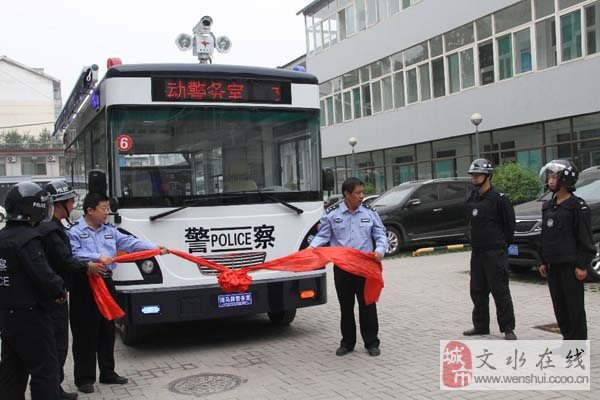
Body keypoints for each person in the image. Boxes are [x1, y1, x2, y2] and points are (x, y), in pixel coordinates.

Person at [67, 192, 168, 394]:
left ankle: (108, 372)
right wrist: (98, 256)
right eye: (104, 208)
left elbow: (130, 243)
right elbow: (73, 255)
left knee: (107, 329)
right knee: (85, 331)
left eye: (108, 208)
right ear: (90, 210)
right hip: (84, 284)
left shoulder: (109, 231)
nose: (107, 213)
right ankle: (84, 378)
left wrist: (155, 248)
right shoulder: (74, 232)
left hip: (106, 282)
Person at [38, 181, 105, 400]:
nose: (73, 204)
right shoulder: (51, 230)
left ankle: (55, 388)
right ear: (61, 203)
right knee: (57, 346)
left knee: (56, 345)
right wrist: (88, 267)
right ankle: (53, 390)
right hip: (55, 296)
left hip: (55, 292)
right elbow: (65, 260)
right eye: (70, 201)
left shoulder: (51, 227)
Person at [0, 182, 66, 399]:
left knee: (12, 369)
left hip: (6, 313)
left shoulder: (3, 237)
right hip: (31, 315)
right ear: (34, 208)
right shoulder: (29, 239)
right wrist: (59, 290)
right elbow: (44, 276)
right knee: (45, 370)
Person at [310, 177, 388, 356]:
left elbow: (380, 234)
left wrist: (380, 250)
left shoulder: (369, 212)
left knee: (368, 305)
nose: (362, 196)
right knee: (346, 306)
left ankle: (371, 342)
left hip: (365, 267)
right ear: (346, 194)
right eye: (358, 193)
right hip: (343, 268)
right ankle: (347, 343)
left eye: (363, 192)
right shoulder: (332, 214)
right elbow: (322, 236)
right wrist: (310, 249)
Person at [538, 160, 595, 340]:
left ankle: (577, 346)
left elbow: (585, 237)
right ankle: (568, 341)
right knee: (560, 307)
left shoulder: (577, 206)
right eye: (550, 177)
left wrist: (582, 265)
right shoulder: (548, 205)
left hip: (570, 266)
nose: (551, 180)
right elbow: (546, 236)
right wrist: (543, 261)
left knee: (574, 307)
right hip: (553, 265)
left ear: (566, 179)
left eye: (555, 177)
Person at [463, 159, 517, 340]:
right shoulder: (473, 197)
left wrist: (502, 245)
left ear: (487, 176)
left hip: (495, 252)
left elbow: (509, 225)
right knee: (477, 289)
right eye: (473, 175)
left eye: (478, 175)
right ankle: (481, 326)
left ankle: (508, 328)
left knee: (500, 290)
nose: (474, 178)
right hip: (477, 252)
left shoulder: (499, 199)